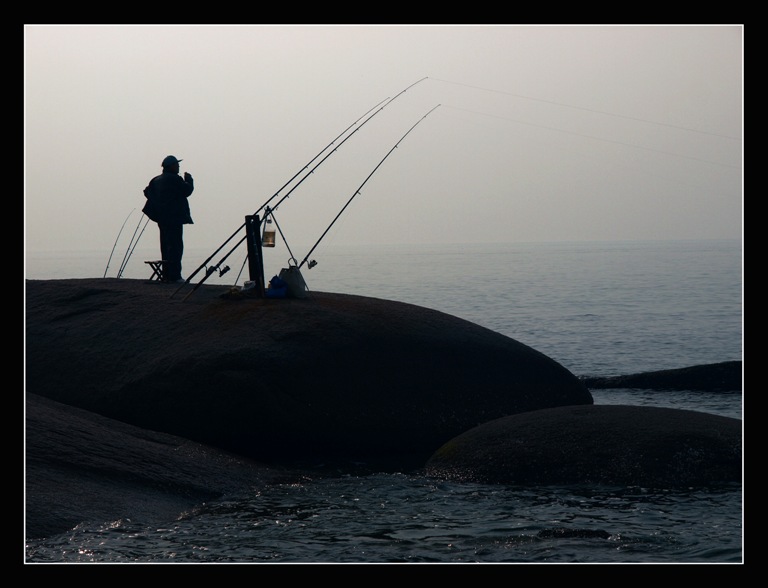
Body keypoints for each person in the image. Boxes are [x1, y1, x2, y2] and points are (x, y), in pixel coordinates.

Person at [142, 155, 194, 283]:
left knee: (165, 245)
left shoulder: (155, 180)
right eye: (176, 164)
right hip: (174, 218)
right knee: (176, 246)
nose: (178, 167)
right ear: (171, 166)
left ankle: (167, 274)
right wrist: (189, 180)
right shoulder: (174, 179)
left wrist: (159, 203)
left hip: (162, 219)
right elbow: (187, 191)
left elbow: (147, 192)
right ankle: (175, 276)